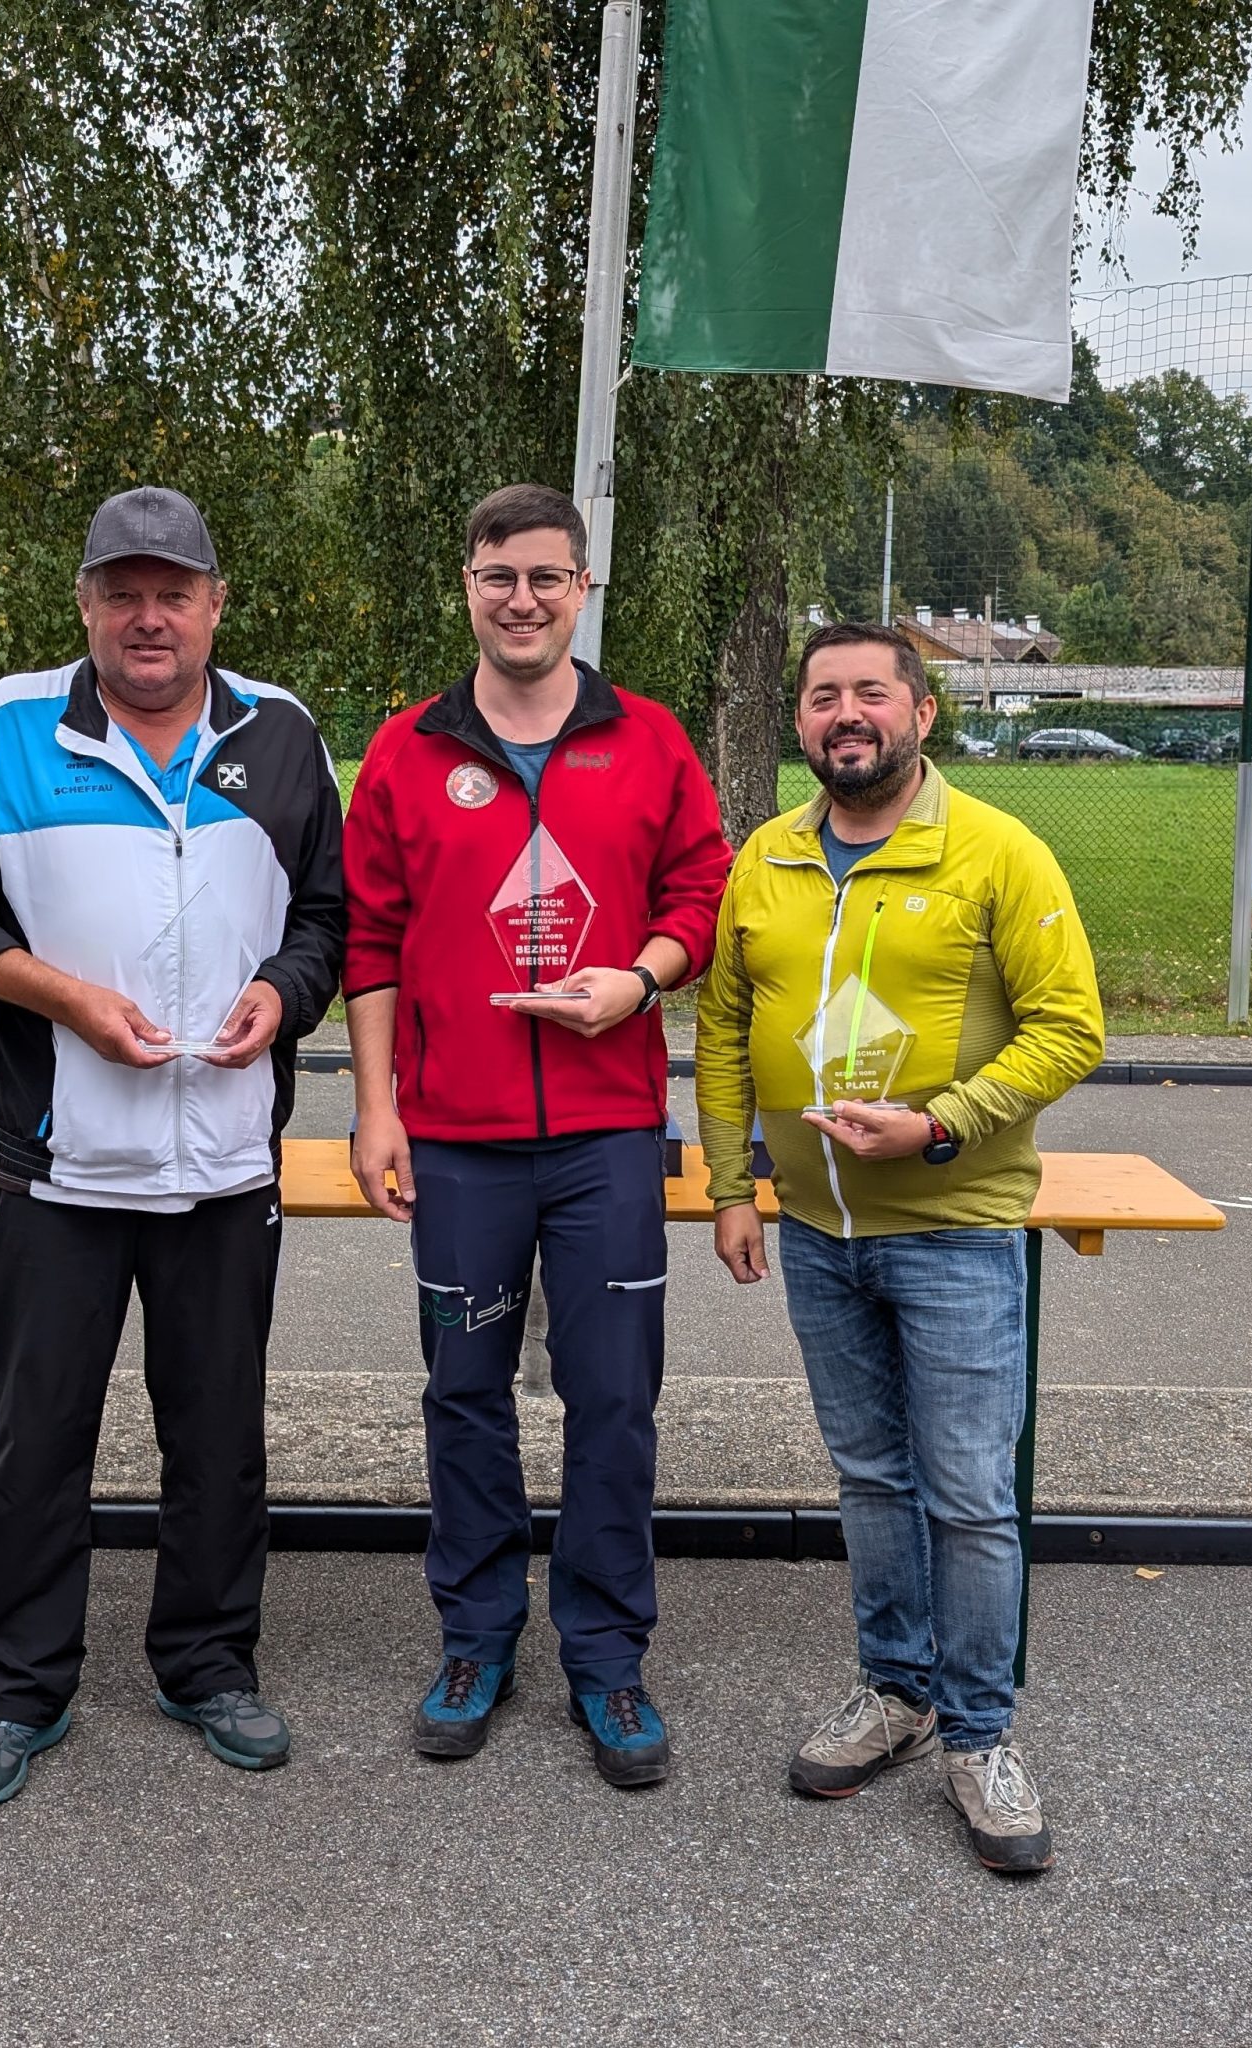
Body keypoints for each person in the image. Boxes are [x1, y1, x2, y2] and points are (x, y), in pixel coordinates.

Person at [0, 486, 344, 1811]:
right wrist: (64, 999)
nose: (149, 618)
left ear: (215, 604)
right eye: (123, 592)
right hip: (63, 1164)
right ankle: (18, 1691)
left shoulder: (281, 734)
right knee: (37, 1440)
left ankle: (206, 1664)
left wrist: (283, 993)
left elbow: (329, 918)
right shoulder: (9, 724)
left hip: (226, 1167)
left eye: (173, 593)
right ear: (85, 603)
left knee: (218, 1438)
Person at [695, 621, 1103, 1873]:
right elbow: (722, 1028)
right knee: (870, 1477)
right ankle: (895, 1689)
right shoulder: (766, 855)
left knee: (968, 1494)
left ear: (921, 713)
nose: (845, 713)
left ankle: (980, 1733)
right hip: (817, 1235)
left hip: (955, 1229)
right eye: (823, 695)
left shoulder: (995, 849)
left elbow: (1068, 1025)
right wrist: (731, 1186)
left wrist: (939, 1124)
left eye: (871, 691)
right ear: (801, 721)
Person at [342, 483, 731, 1787]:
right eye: (498, 576)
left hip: (606, 1138)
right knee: (463, 1393)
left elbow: (702, 888)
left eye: (545, 577)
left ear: (581, 588)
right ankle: (474, 1638)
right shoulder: (405, 750)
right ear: (468, 584)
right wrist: (376, 1106)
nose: (521, 599)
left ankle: (607, 1656)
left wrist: (640, 979)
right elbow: (369, 937)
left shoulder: (648, 740)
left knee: (612, 1399)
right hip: (455, 1140)